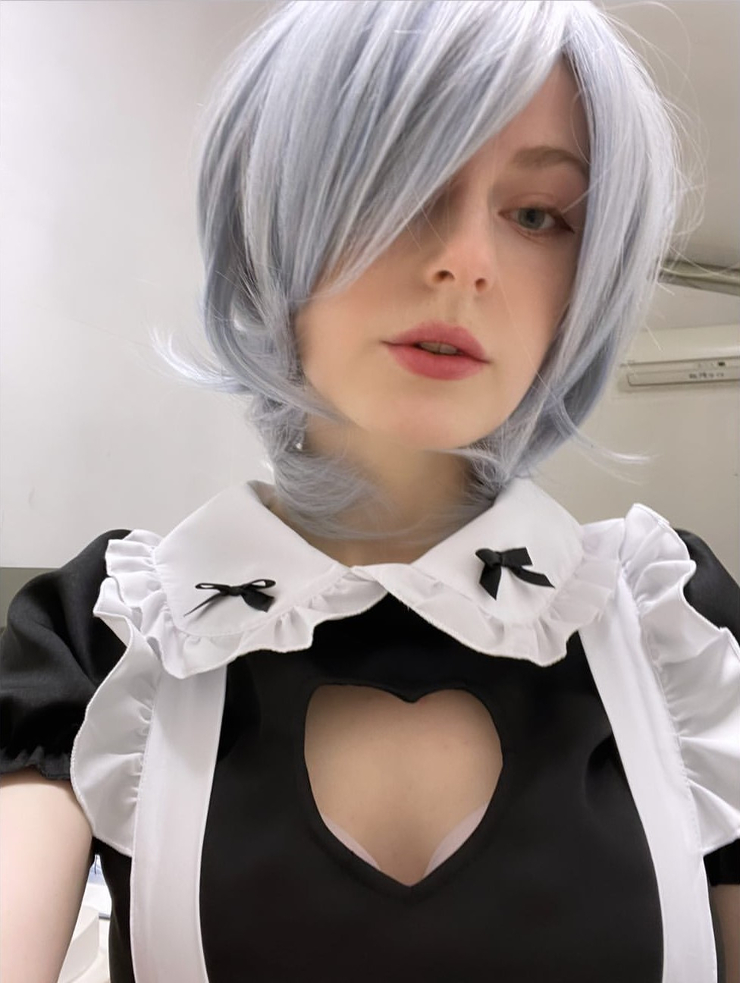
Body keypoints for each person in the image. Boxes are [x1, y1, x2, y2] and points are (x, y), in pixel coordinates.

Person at [1, 2, 738, 981]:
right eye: (405, 181)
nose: (465, 260)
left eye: (535, 215)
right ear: (275, 215)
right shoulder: (105, 634)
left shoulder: (673, 625)